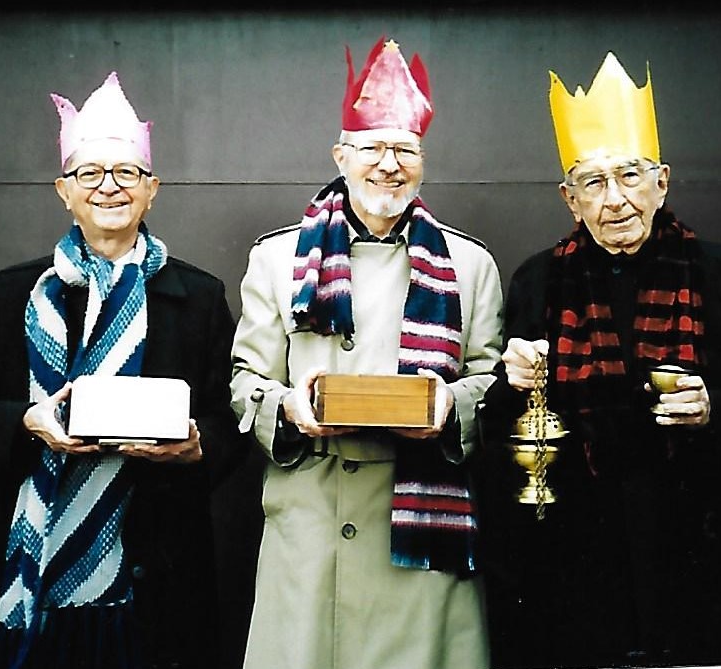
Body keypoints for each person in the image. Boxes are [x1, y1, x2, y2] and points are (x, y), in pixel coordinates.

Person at [475, 51, 721, 668]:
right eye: (593, 182)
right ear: (570, 199)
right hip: (575, 548)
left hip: (696, 536)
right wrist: (511, 383)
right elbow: (502, 423)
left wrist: (713, 409)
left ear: (662, 182)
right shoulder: (538, 281)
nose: (615, 198)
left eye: (630, 176)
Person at [0, 71, 246, 669]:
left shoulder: (199, 297)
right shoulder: (12, 294)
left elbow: (234, 424)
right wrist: (27, 422)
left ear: (152, 190)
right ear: (63, 191)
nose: (109, 188)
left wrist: (196, 447)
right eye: (89, 174)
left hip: (159, 574)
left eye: (126, 173)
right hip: (38, 577)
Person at [229, 37, 504, 669]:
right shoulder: (278, 257)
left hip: (420, 520)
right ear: (340, 156)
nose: (388, 164)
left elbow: (490, 382)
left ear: (423, 161)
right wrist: (291, 409)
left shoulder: (469, 263)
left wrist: (449, 404)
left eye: (404, 150)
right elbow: (247, 381)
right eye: (372, 148)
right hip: (314, 517)